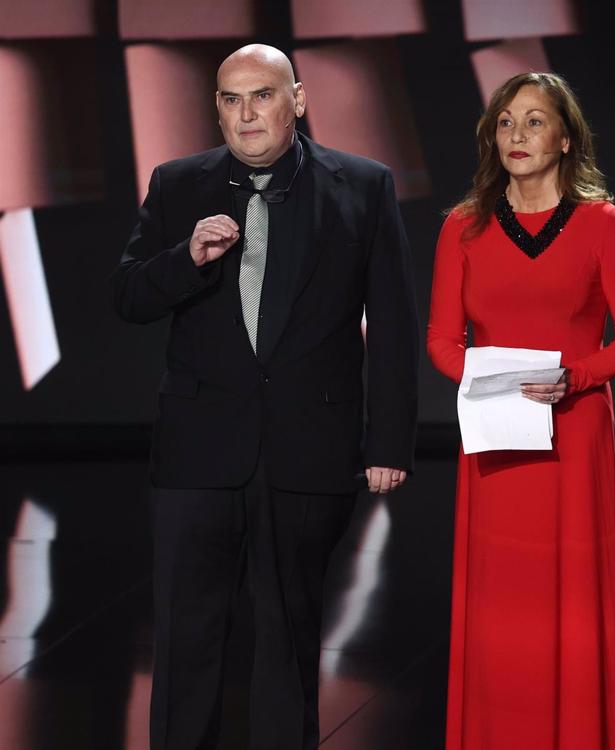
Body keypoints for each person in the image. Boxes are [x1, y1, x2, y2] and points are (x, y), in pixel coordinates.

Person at [112, 44, 418, 750]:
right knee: (187, 638)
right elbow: (127, 296)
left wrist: (389, 441)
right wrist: (183, 259)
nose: (245, 113)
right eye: (229, 98)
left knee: (288, 636)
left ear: (298, 100)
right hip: (199, 450)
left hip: (309, 447)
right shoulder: (178, 183)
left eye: (262, 95)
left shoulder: (362, 185)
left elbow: (394, 320)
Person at [427, 72, 615, 749]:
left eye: (533, 121)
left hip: (574, 432)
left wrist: (574, 376)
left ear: (563, 139)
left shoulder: (601, 223)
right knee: (501, 601)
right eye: (505, 122)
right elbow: (442, 341)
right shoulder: (462, 228)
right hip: (497, 433)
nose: (517, 135)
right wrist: (489, 376)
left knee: (571, 597)